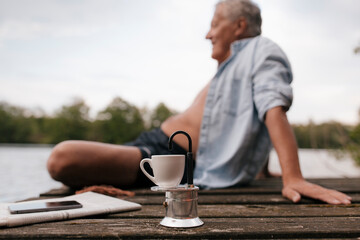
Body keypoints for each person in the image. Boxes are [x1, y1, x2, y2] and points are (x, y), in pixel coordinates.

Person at [47, 0, 351, 205]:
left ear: (239, 26)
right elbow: (251, 121)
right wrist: (261, 166)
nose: (208, 34)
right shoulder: (235, 66)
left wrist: (293, 176)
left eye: (215, 24)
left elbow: (273, 107)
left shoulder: (262, 52)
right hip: (155, 144)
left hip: (169, 156)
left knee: (62, 158)